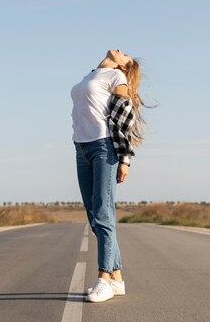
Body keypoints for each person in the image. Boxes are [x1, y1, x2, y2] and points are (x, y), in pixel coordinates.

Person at [70, 49, 146, 303]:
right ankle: (117, 278)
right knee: (94, 214)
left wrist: (125, 160)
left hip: (104, 146)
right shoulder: (92, 75)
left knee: (103, 212)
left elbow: (123, 122)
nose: (120, 51)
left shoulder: (117, 80)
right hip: (81, 147)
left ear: (123, 67)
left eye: (125, 55)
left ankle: (103, 278)